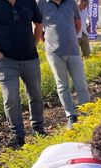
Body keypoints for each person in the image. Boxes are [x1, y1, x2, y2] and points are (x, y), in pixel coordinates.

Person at [0, 0, 45, 149]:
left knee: (36, 95)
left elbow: (39, 23)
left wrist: (33, 45)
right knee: (11, 98)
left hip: (30, 59)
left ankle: (38, 129)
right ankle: (18, 136)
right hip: (5, 61)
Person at [37, 0, 91, 129]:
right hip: (54, 53)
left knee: (81, 84)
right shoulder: (41, 3)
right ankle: (71, 116)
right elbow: (38, 25)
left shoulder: (71, 2)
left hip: (73, 51)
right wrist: (48, 42)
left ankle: (86, 114)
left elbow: (77, 24)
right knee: (62, 85)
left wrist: (69, 38)